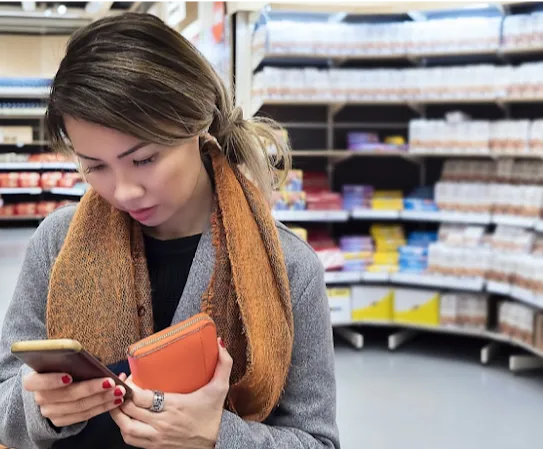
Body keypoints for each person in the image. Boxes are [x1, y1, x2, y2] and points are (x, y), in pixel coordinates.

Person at [0, 12, 339, 449]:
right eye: (95, 166)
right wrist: (40, 408)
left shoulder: (290, 267)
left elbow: (317, 441)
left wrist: (216, 436)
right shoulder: (56, 243)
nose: (123, 190)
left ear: (197, 124)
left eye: (144, 159)